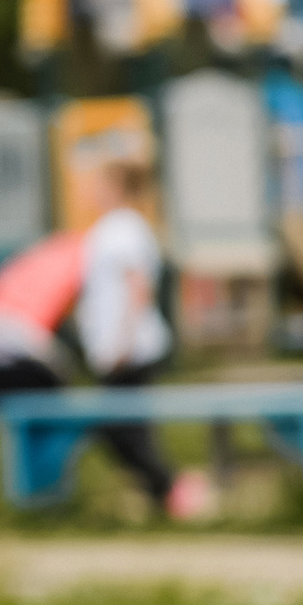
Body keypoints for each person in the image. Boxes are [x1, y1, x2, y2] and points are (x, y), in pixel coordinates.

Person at [76, 159, 209, 518]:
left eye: (98, 182)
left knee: (120, 429)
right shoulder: (116, 227)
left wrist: (120, 343)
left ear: (117, 187)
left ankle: (172, 491)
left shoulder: (123, 228)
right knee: (124, 430)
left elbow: (138, 288)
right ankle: (165, 494)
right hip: (120, 348)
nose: (90, 190)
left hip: (128, 350)